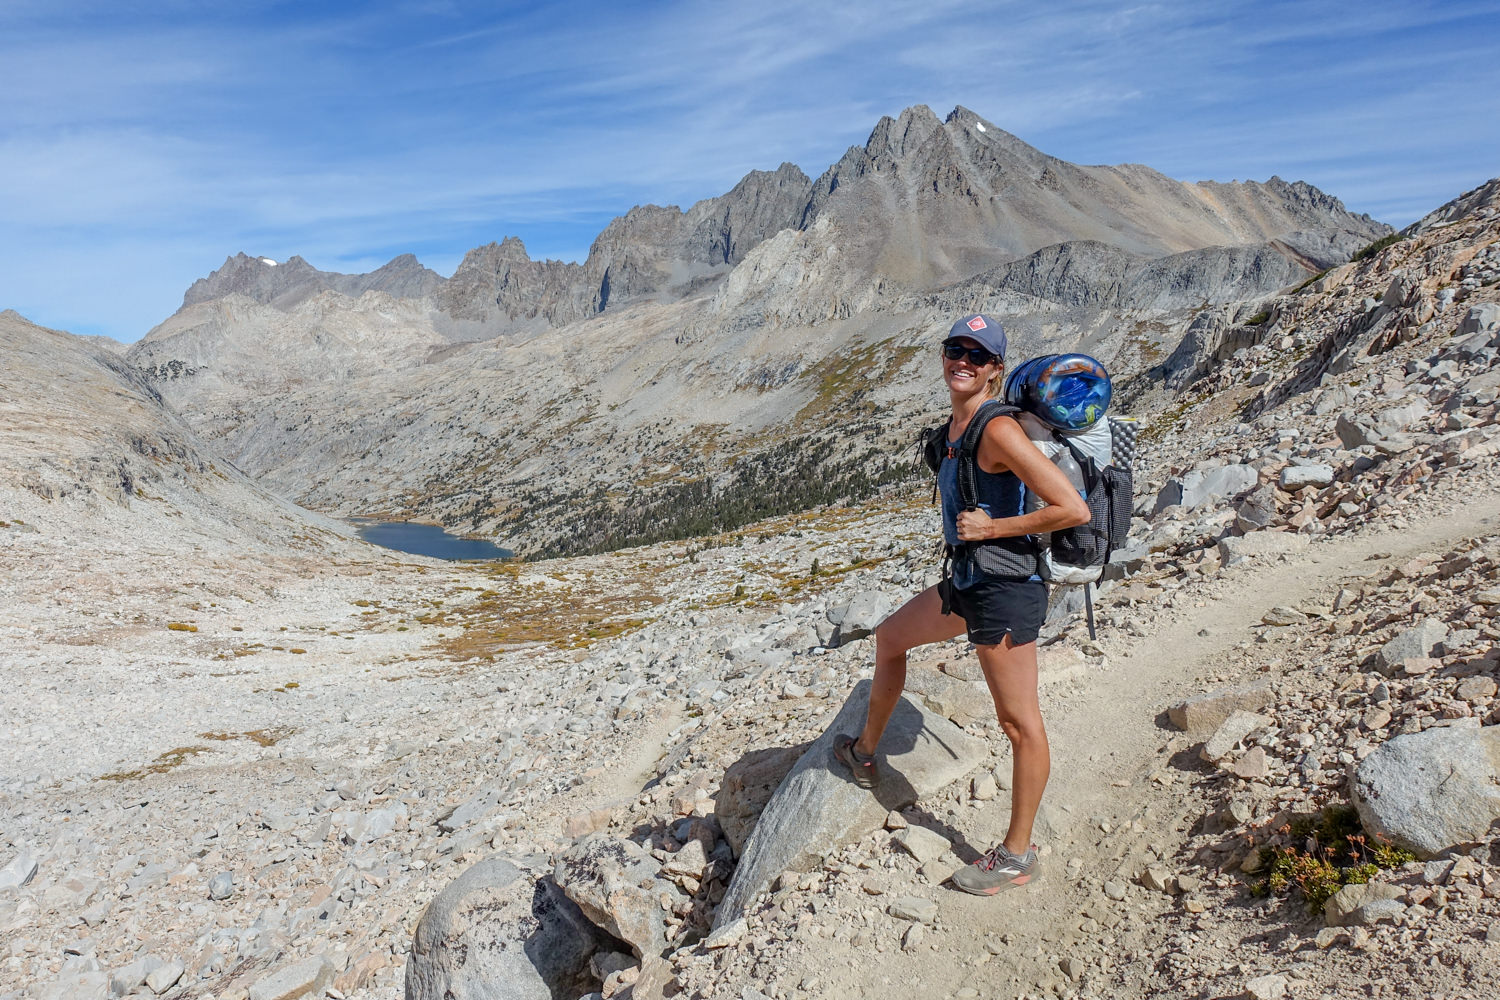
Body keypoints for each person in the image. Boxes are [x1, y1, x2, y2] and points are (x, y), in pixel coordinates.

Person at [833, 313, 1090, 896]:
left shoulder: (997, 431)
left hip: (1006, 589)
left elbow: (1072, 509)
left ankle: (1016, 856)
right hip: (969, 581)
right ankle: (867, 753)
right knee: (891, 637)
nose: (963, 362)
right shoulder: (955, 428)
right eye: (956, 349)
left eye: (977, 356)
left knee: (1018, 724)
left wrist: (995, 526)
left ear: (995, 370)